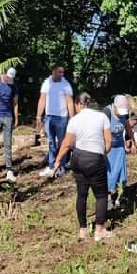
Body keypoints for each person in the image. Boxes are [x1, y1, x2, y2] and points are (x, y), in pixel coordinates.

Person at [52, 92, 113, 241]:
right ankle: (99, 230)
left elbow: (66, 144)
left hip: (77, 159)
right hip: (94, 158)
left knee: (82, 195)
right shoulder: (102, 117)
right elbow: (109, 143)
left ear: (79, 104)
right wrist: (101, 155)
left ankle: (83, 231)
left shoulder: (74, 120)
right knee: (101, 195)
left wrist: (57, 161)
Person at [37, 64, 74, 177]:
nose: (61, 74)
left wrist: (72, 118)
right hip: (49, 117)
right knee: (51, 143)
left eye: (63, 72)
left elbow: (69, 102)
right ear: (53, 71)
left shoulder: (66, 85)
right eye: (59, 72)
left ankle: (61, 166)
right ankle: (51, 166)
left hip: (62, 118)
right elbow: (42, 100)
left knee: (62, 143)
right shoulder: (46, 83)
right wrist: (38, 115)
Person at [104, 95, 137, 204]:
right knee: (109, 173)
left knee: (120, 172)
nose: (122, 114)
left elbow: (127, 126)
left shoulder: (124, 114)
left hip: (119, 147)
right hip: (108, 148)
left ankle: (120, 195)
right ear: (115, 106)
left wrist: (133, 142)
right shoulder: (107, 112)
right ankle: (108, 197)